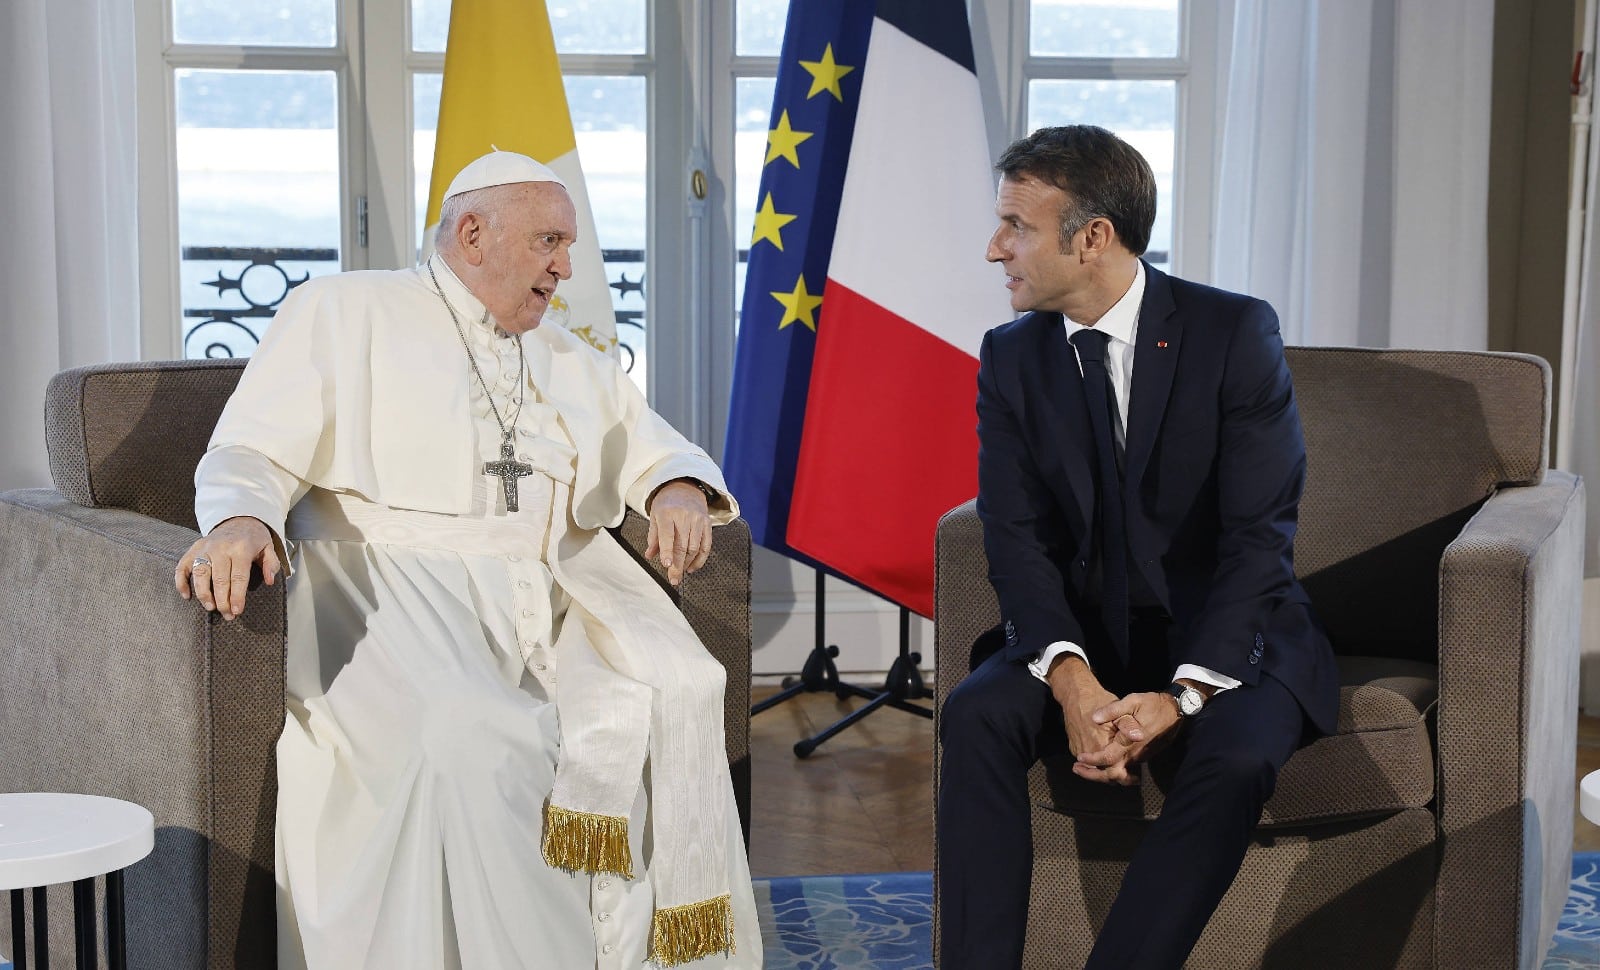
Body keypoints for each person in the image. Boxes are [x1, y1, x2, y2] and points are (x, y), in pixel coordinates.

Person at [174, 150, 761, 970]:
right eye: (550, 242)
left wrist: (676, 491)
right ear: (475, 233)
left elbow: (648, 442)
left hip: (548, 598)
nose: (566, 268)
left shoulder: (562, 352)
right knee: (476, 738)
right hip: (383, 593)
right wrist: (241, 520)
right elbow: (250, 448)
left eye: (570, 246)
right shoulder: (342, 309)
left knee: (666, 700)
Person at [937, 126, 1339, 969]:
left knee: (1236, 761)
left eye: (1017, 227)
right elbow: (1014, 537)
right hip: (1082, 632)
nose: (994, 248)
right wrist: (1070, 677)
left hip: (1228, 633)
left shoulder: (1232, 332)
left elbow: (1259, 536)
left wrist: (1184, 696)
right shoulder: (1010, 357)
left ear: (1093, 237)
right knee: (975, 714)